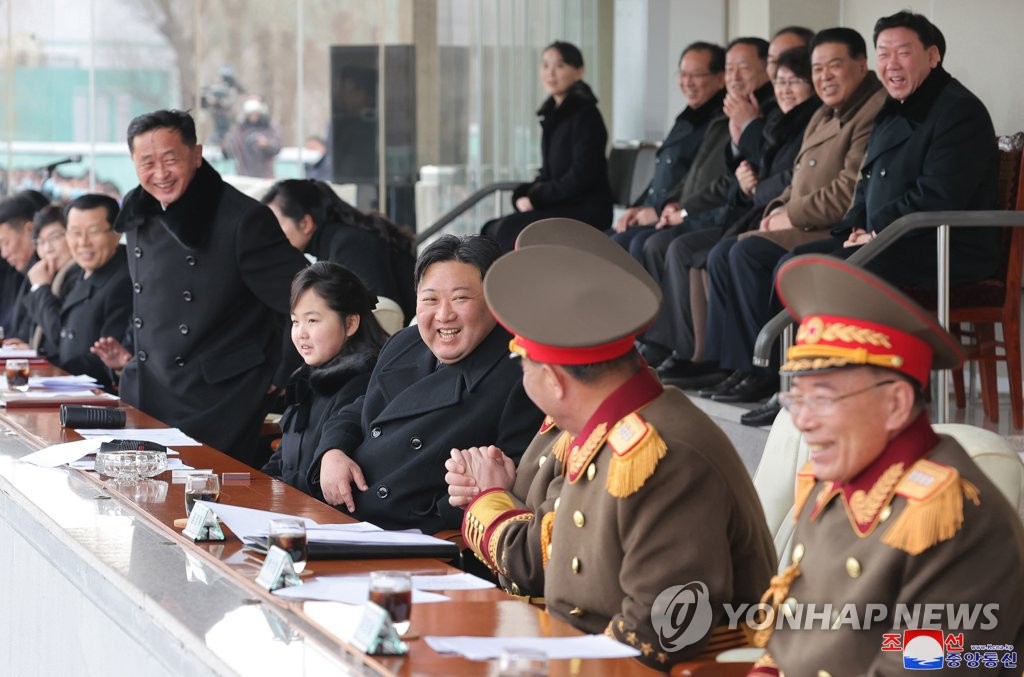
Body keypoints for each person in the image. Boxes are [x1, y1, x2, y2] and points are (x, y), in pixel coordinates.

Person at [461, 241, 776, 671]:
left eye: (524, 365)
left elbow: (660, 631)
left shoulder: (661, 454)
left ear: (553, 381)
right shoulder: (610, 428)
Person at [748, 254, 1024, 676]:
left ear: (895, 404)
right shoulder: (835, 482)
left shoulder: (949, 517)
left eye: (822, 399)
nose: (802, 420)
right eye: (795, 399)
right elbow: (794, 636)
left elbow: (920, 664)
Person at [702, 27, 887, 425]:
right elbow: (796, 179)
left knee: (746, 252)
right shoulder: (824, 111)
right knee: (726, 252)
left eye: (834, 66)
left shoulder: (871, 109)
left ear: (861, 64)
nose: (825, 76)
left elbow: (846, 193)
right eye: (817, 68)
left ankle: (770, 372)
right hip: (801, 219)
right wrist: (779, 207)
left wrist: (792, 213)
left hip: (827, 227)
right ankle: (743, 367)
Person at [307, 234, 544, 532]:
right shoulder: (406, 343)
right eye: (430, 299)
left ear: (496, 300)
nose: (443, 315)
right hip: (344, 517)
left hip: (417, 538)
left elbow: (518, 476)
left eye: (460, 298)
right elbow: (360, 408)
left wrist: (441, 513)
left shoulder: (521, 371)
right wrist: (332, 452)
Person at [113, 109, 307, 466]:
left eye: (170, 159)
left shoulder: (242, 219)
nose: (160, 174)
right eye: (147, 163)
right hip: (148, 386)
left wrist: (278, 375)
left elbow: (304, 295)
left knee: (204, 502)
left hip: (219, 398)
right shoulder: (138, 210)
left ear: (197, 154)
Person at [779, 12, 998, 287]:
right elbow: (866, 180)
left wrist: (876, 232)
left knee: (832, 274)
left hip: (944, 247)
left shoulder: (959, 111)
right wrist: (857, 226)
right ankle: (795, 333)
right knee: (794, 263)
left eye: (903, 53)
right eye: (883, 54)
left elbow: (937, 196)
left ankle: (839, 333)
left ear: (932, 56)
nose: (891, 64)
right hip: (892, 238)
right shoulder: (893, 108)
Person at [645, 46, 819, 388]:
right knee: (660, 243)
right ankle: (697, 353)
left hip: (775, 217)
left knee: (722, 251)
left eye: (792, 80)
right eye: (779, 78)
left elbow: (782, 180)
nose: (783, 87)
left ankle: (748, 365)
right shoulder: (748, 115)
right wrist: (667, 205)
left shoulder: (779, 114)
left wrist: (749, 134)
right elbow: (737, 176)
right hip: (751, 211)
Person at [262, 262, 388, 497]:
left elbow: (320, 478)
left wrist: (272, 493)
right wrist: (257, 484)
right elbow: (285, 457)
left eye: (312, 321)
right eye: (295, 321)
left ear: (350, 323)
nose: (301, 333)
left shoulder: (363, 384)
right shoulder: (308, 377)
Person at [482, 41, 613, 252]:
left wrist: (536, 196)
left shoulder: (587, 115)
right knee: (490, 228)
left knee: (507, 230)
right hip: (561, 204)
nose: (550, 73)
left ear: (579, 71)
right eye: (545, 66)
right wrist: (525, 193)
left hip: (585, 209)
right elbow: (549, 173)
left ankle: (513, 285)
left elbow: (582, 176)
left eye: (559, 66)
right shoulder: (553, 115)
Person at [610, 42, 726, 250]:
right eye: (682, 74)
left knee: (625, 245)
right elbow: (662, 172)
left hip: (678, 214)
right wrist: (638, 207)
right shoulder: (687, 117)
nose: (687, 82)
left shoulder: (720, 124)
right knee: (598, 242)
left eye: (696, 75)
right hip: (657, 209)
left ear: (720, 78)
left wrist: (657, 210)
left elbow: (693, 180)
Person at [261, 179, 416, 322]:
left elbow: (382, 314)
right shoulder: (338, 241)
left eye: (275, 225)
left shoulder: (349, 244)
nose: (269, 234)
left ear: (305, 223)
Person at [43, 195, 131, 391]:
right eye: (75, 233)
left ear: (117, 233)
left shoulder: (125, 279)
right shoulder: (75, 272)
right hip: (67, 391)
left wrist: (50, 377)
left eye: (93, 232)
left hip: (96, 399)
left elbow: (104, 358)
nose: (83, 242)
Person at [16, 206, 76, 355]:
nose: (47, 248)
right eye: (41, 242)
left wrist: (40, 287)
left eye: (55, 238)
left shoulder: (79, 276)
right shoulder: (50, 275)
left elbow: (57, 333)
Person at [0, 194, 44, 342]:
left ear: (29, 229)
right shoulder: (23, 272)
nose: (4, 253)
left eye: (5, 243)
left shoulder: (44, 275)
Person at [221, 95, 282, 178]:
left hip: (265, 177)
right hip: (244, 176)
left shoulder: (269, 127)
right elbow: (229, 151)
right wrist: (224, 147)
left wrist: (266, 144)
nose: (253, 116)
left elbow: (277, 146)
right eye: (250, 113)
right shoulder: (239, 129)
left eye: (255, 113)